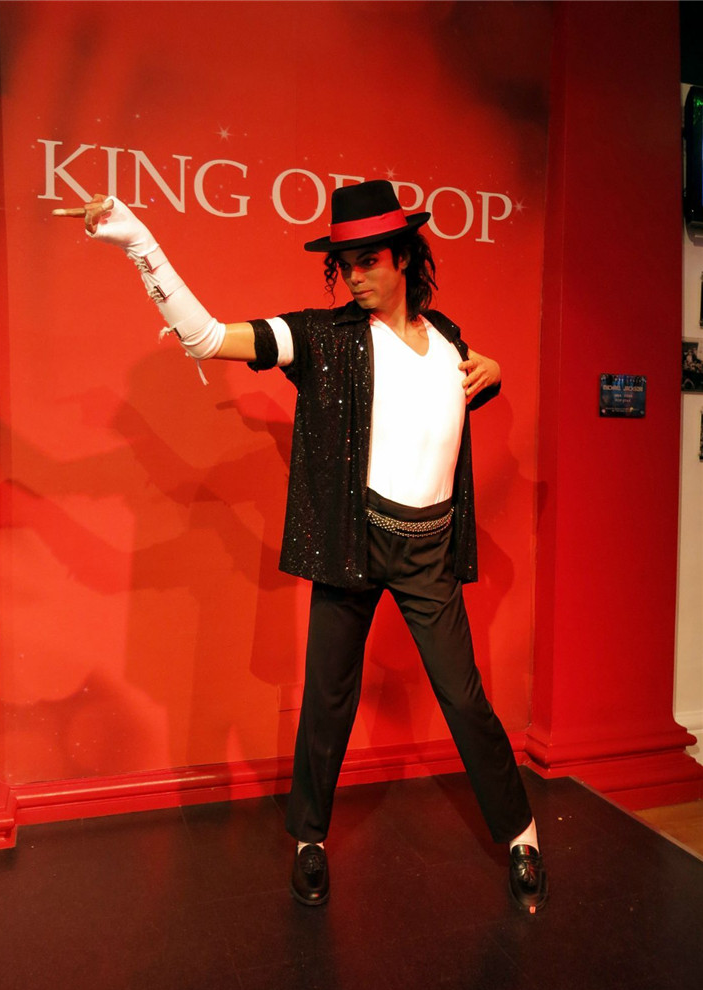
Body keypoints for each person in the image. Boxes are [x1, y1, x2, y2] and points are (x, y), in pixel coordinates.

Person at [55, 179, 548, 913]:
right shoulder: (323, 337)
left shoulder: (446, 335)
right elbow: (206, 337)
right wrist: (136, 241)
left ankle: (521, 835)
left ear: (404, 257)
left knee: (463, 697)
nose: (354, 276)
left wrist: (496, 369)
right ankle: (309, 840)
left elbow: (464, 379)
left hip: (429, 549)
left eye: (368, 260)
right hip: (355, 539)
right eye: (344, 265)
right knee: (327, 700)